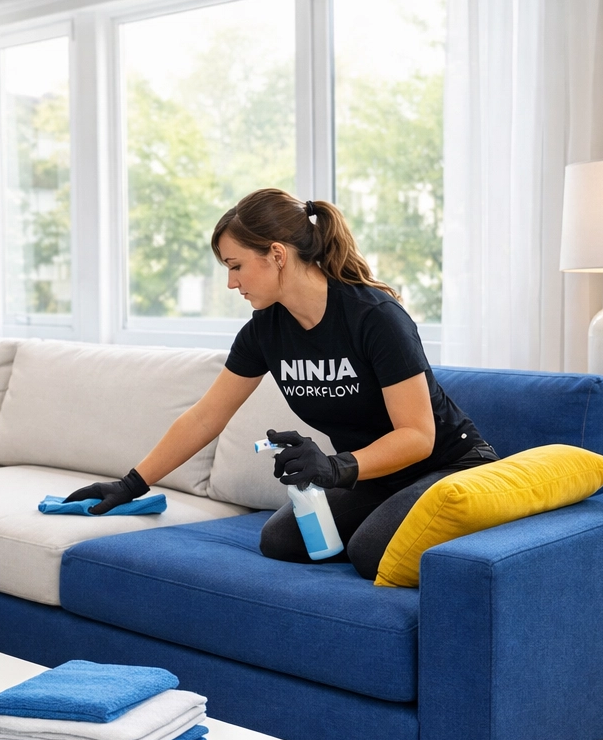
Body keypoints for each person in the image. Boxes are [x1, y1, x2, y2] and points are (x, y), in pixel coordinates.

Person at [65, 188, 495, 580]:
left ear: (276, 254)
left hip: (447, 465)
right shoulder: (265, 332)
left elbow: (418, 436)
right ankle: (392, 516)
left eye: (236, 266)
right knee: (282, 540)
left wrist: (335, 467)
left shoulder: (374, 317)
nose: (232, 282)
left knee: (371, 551)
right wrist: (130, 484)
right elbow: (205, 417)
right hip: (377, 476)